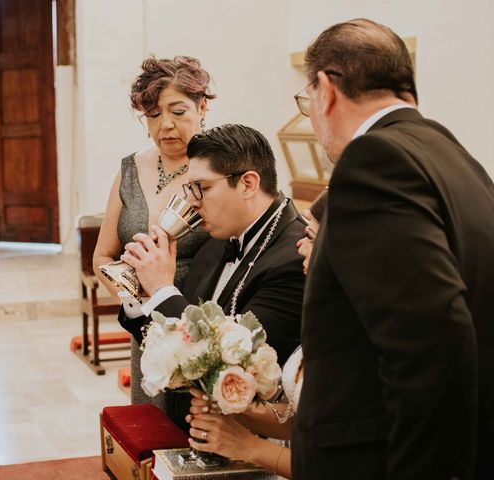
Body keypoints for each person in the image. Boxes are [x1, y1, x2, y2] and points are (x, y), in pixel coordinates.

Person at [292, 19, 494, 480]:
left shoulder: (373, 162)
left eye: (307, 103)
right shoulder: (455, 156)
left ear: (326, 90)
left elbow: (430, 339)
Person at [119, 123, 306, 428]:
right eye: (190, 188)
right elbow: (177, 331)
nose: (192, 201)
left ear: (247, 184)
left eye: (202, 188)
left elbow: (233, 368)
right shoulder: (218, 238)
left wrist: (164, 289)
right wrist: (143, 292)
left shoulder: (294, 258)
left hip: (251, 435)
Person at [93, 55, 212, 410]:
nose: (166, 126)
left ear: (202, 107)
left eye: (177, 111)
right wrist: (134, 299)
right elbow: (102, 257)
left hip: (202, 326)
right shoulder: (130, 169)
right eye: (154, 115)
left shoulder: (220, 170)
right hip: (146, 329)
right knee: (147, 428)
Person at [185, 191, 328, 478]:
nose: (299, 244)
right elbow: (299, 421)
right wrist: (234, 409)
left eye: (310, 236)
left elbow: (344, 466)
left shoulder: (360, 339)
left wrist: (248, 447)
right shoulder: (326, 313)